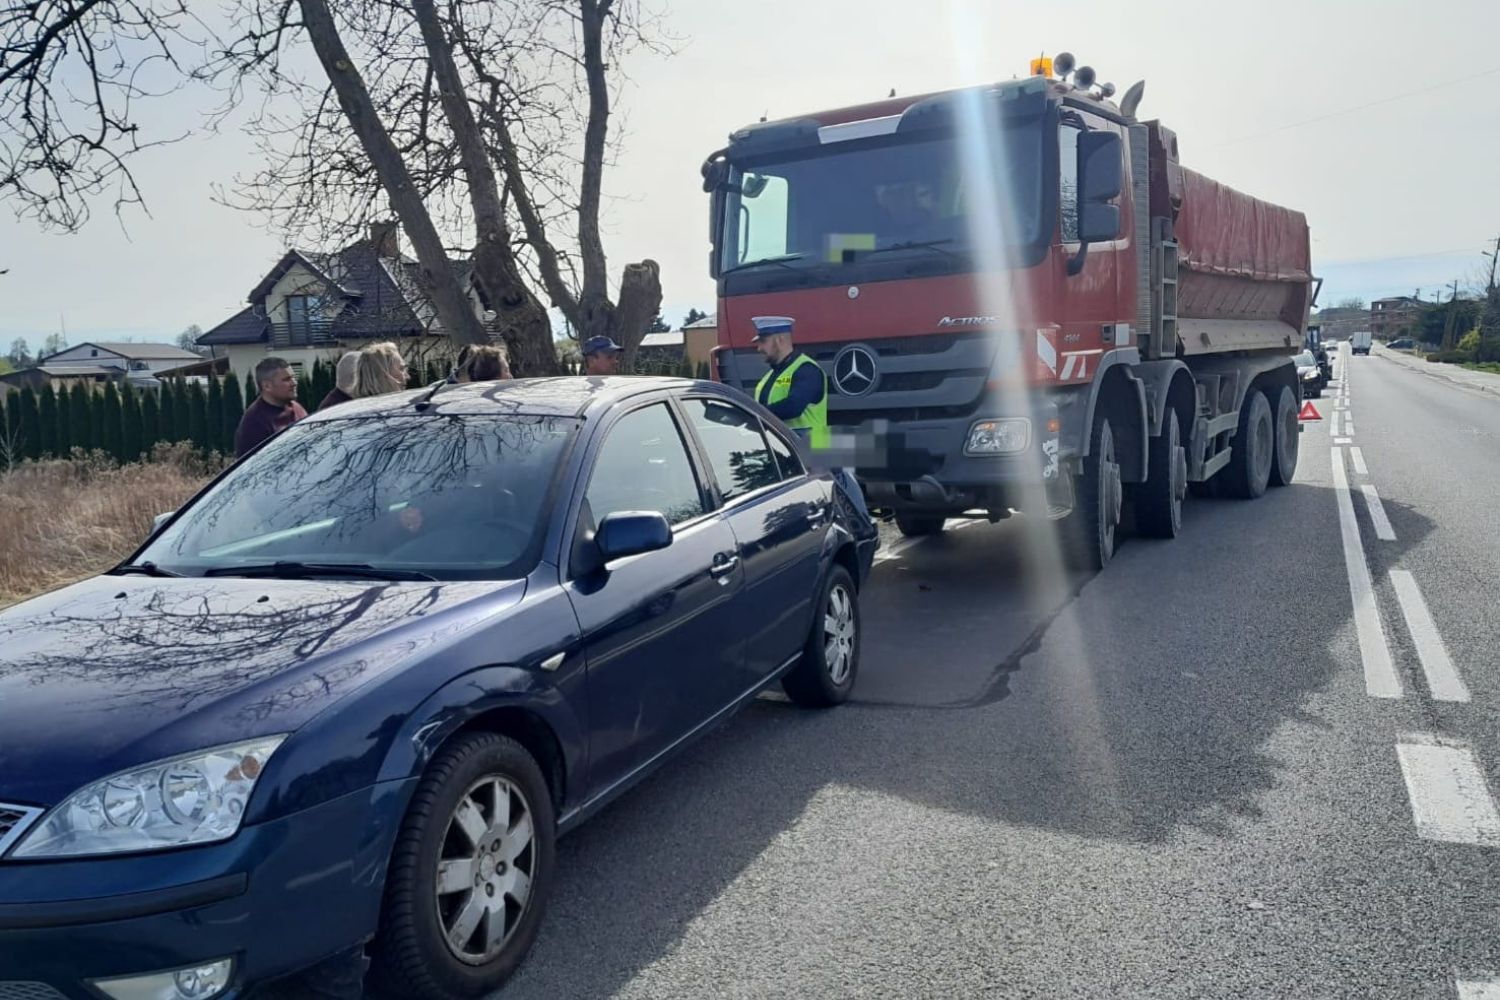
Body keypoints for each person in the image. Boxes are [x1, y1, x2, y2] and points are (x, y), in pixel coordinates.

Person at [750, 315, 872, 526]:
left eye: (762, 341)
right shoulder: (769, 378)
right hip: (782, 448)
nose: (758, 347)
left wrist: (754, 415)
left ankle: (861, 529)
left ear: (779, 339)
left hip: (813, 446)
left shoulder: (807, 370)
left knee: (834, 497)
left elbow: (794, 406)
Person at [234, 356, 308, 458]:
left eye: (293, 377)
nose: (294, 383)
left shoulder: (297, 408)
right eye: (286, 379)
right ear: (267, 386)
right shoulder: (255, 423)